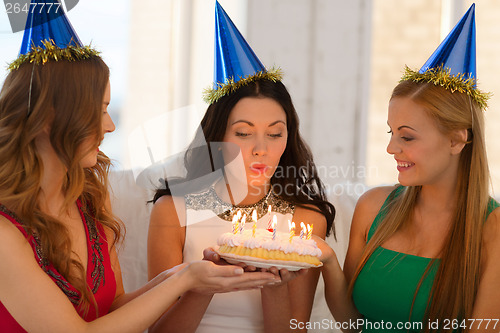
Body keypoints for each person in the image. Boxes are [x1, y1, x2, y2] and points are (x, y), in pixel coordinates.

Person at [0, 2, 279, 332]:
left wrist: (186, 275)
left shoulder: (88, 200)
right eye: (99, 110)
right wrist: (185, 279)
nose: (110, 126)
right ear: (48, 118)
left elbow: (114, 309)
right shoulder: (5, 234)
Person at [147, 2, 335, 332]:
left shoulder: (305, 221)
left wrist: (273, 284)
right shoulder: (175, 211)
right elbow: (158, 330)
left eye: (275, 133)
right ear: (217, 136)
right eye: (244, 133)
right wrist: (205, 283)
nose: (261, 149)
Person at [317, 4, 500, 332]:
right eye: (391, 132)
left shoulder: (493, 228)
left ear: (457, 141)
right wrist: (328, 261)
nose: (391, 148)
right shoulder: (372, 207)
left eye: (407, 137)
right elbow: (351, 323)